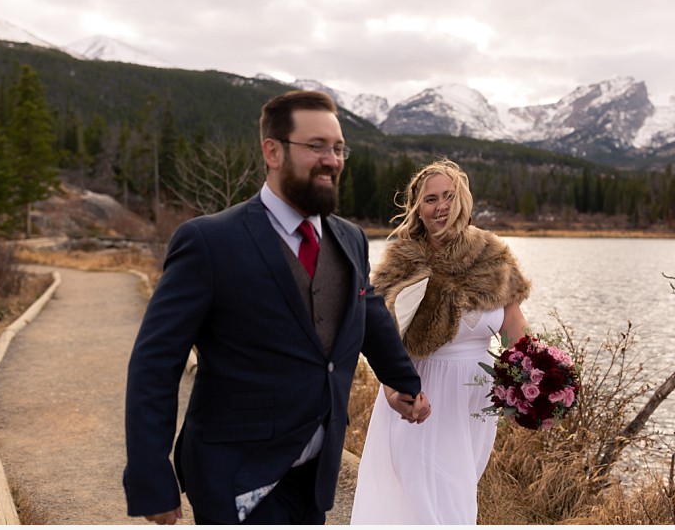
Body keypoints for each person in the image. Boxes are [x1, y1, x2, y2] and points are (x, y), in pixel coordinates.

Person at [123, 90, 430, 525]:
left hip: (314, 474)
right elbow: (155, 363)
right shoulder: (208, 243)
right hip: (236, 476)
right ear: (272, 151)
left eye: (339, 148)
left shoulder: (350, 239)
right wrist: (150, 476)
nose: (333, 159)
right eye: (316, 146)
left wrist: (404, 382)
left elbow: (370, 313)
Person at [350, 159, 531, 525]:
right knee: (428, 502)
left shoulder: (493, 257)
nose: (441, 206)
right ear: (418, 209)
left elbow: (513, 328)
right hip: (420, 398)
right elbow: (381, 338)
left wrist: (536, 379)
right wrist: (391, 391)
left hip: (475, 405)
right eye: (431, 199)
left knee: (459, 496)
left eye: (449, 196)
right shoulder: (401, 264)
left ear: (463, 200)